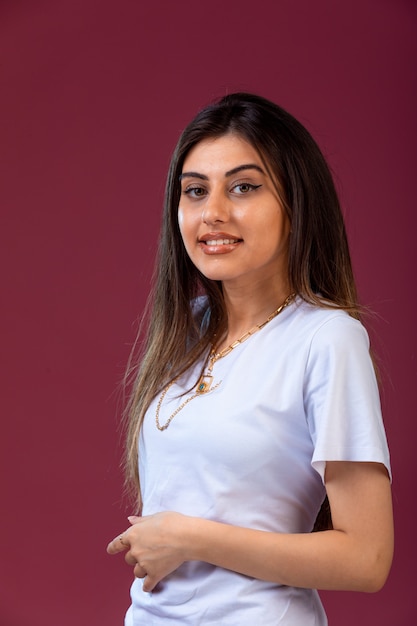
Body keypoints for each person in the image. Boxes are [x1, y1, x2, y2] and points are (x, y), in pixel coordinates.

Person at [107, 93, 393, 625]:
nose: (213, 212)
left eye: (243, 186)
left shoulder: (327, 339)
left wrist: (188, 538)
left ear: (296, 202)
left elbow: (367, 558)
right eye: (195, 191)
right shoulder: (186, 332)